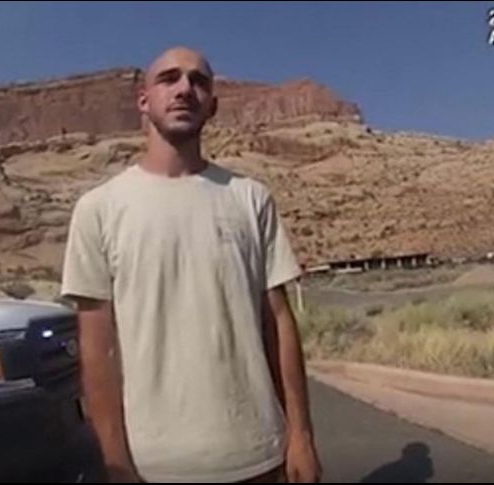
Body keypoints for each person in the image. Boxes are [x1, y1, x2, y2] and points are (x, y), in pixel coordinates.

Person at [60, 46, 322, 483]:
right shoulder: (99, 209)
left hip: (259, 457)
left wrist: (302, 437)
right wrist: (116, 462)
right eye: (169, 78)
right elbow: (98, 350)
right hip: (153, 466)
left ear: (213, 105)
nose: (185, 89)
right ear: (144, 100)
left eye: (198, 81)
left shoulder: (250, 198)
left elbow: (278, 322)